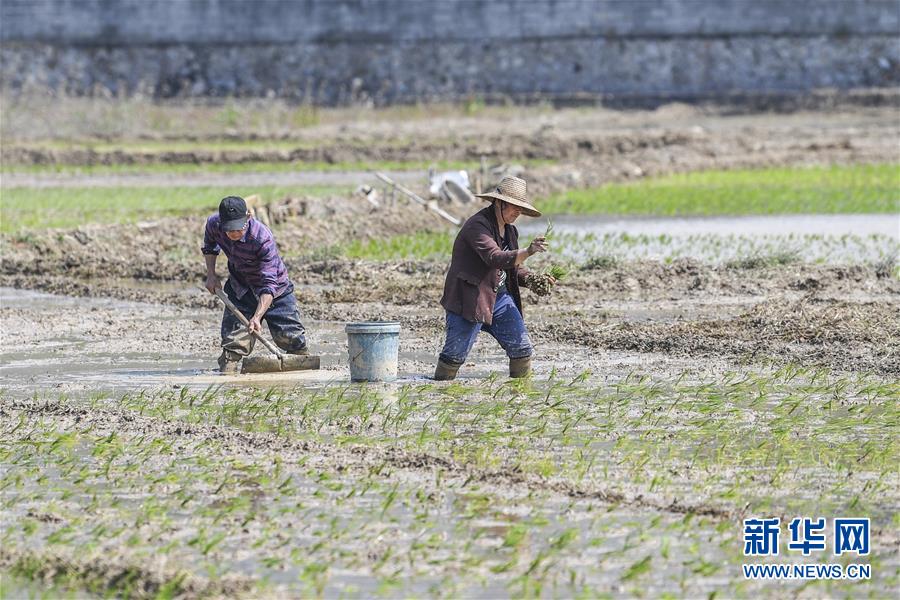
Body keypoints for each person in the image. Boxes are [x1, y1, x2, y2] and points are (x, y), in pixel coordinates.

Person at [434, 176, 551, 380]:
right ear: (498, 202)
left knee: (522, 349)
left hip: (500, 298)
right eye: (513, 206)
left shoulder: (510, 231)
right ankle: (441, 390)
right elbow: (495, 258)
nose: (517, 212)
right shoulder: (477, 226)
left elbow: (513, 267)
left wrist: (533, 279)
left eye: (520, 208)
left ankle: (519, 395)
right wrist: (529, 250)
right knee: (454, 357)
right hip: (470, 299)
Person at [202, 196, 308, 374]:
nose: (234, 234)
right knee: (233, 345)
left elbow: (268, 284)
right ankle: (228, 376)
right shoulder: (214, 224)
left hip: (275, 290)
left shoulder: (262, 238)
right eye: (229, 230)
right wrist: (211, 275)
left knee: (292, 339)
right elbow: (210, 246)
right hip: (240, 287)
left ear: (248, 217)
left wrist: (257, 316)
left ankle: (301, 369)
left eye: (238, 229)